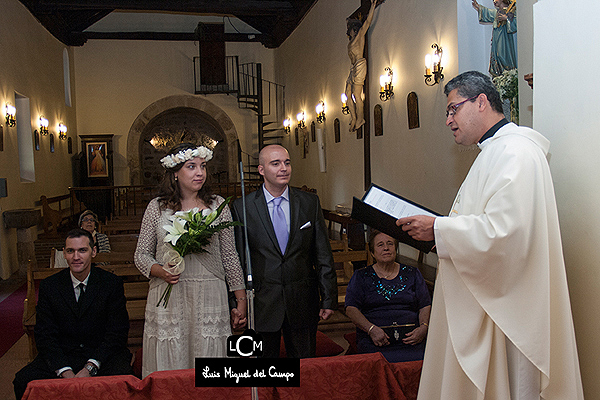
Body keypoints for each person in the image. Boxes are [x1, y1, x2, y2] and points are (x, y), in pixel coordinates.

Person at [397, 71, 583, 399]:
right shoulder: (496, 152)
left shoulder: (516, 154)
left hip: (508, 314)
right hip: (495, 302)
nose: (448, 120)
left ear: (481, 102)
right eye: (447, 112)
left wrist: (437, 228)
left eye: (453, 109)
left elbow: (505, 235)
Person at [134, 143, 246, 378]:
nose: (200, 173)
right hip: (170, 292)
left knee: (209, 356)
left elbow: (229, 255)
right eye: (191, 167)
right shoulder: (157, 207)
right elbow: (141, 255)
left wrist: (240, 299)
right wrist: (160, 270)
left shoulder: (217, 205)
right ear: (175, 172)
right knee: (172, 362)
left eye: (203, 167)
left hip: (209, 293)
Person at [231, 144, 337, 358]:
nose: (284, 168)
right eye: (275, 163)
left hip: (302, 301)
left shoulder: (309, 203)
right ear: (261, 170)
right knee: (263, 374)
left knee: (303, 371)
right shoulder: (243, 207)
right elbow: (237, 260)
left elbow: (323, 254)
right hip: (261, 303)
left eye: (287, 163)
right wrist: (236, 304)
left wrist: (328, 298)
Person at [13, 229, 132, 400]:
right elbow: (44, 334)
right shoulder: (50, 286)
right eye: (70, 251)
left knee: (124, 377)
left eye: (82, 250)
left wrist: (90, 367)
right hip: (64, 354)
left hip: (100, 355)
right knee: (23, 380)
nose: (76, 256)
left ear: (94, 252)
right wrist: (64, 370)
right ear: (64, 254)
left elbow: (117, 332)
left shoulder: (111, 284)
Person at [345, 230, 431, 362]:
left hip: (412, 339)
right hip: (374, 339)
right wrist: (371, 330)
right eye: (380, 245)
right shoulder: (361, 276)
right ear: (372, 252)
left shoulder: (412, 273)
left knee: (426, 359)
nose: (386, 248)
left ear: (395, 249)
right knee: (377, 361)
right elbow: (351, 309)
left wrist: (423, 328)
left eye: (390, 244)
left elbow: (425, 305)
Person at [345, 0, 382, 132]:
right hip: (353, 68)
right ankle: (354, 118)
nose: (347, 31)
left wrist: (372, 6)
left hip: (360, 65)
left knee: (356, 93)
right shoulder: (350, 43)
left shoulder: (360, 35)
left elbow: (367, 22)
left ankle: (360, 119)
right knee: (347, 94)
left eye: (348, 28)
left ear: (353, 29)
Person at [472, 0, 517, 77]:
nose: (494, 1)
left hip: (505, 40)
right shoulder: (497, 13)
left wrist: (506, 18)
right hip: (496, 40)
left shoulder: (510, 10)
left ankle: (507, 74)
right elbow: (488, 12)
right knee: (496, 56)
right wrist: (479, 7)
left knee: (502, 55)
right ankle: (499, 75)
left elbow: (516, 22)